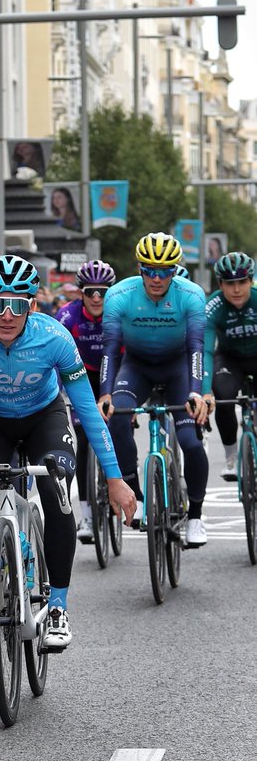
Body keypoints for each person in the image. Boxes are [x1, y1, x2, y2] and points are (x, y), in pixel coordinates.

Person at [0, 256, 136, 651]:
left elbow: (88, 410)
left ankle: (57, 606)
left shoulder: (54, 336)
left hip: (45, 418)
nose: (7, 315)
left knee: (58, 493)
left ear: (33, 306)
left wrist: (114, 478)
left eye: (19, 305)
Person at [98, 232, 209, 547]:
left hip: (178, 369)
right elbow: (110, 348)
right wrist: (105, 393)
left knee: (189, 439)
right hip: (137, 368)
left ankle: (197, 517)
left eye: (165, 271)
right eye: (149, 269)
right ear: (139, 267)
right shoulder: (120, 294)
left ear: (175, 270)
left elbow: (197, 347)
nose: (156, 278)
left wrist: (197, 391)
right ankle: (137, 492)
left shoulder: (191, 294)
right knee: (118, 417)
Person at [56, 259, 116, 541]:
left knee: (119, 430)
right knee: (82, 438)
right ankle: (87, 517)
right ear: (81, 292)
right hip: (79, 378)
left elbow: (122, 356)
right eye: (90, 291)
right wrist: (59, 393)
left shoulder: (117, 314)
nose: (96, 297)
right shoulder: (67, 317)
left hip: (111, 376)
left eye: (103, 292)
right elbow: (54, 358)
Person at [202, 251, 257, 481]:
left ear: (250, 281)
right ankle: (231, 456)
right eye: (230, 283)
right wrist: (205, 391)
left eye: (242, 282)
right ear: (220, 284)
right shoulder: (213, 305)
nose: (236, 289)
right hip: (229, 358)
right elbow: (204, 349)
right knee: (223, 395)